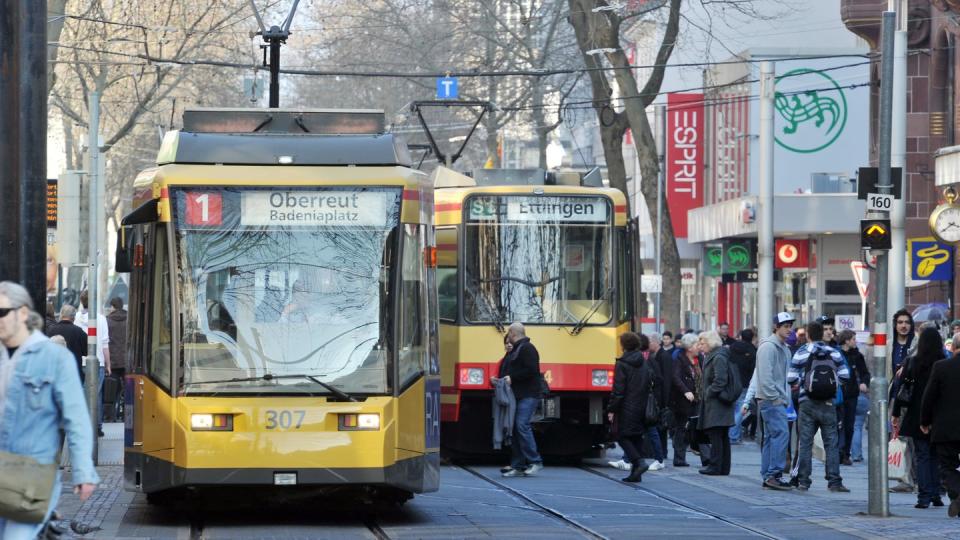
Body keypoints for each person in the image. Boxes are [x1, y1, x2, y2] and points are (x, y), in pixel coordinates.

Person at [0, 281, 99, 538]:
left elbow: (76, 418)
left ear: (22, 313)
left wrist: (83, 471)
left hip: (31, 477)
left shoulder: (55, 358)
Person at [788, 321, 850, 492]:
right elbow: (845, 375)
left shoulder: (801, 352)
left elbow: (791, 378)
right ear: (822, 334)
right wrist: (832, 385)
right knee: (831, 442)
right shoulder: (833, 352)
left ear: (808, 334)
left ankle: (803, 481)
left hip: (806, 402)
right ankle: (834, 481)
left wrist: (805, 383)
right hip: (828, 403)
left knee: (805, 442)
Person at [893, 327, 945, 509]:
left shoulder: (912, 363)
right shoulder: (943, 362)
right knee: (935, 455)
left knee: (921, 455)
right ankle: (936, 493)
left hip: (916, 413)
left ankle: (924, 496)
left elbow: (903, 390)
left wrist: (896, 413)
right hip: (937, 415)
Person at [607, 332, 658, 482]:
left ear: (623, 345)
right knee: (636, 437)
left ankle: (639, 462)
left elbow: (618, 390)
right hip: (642, 405)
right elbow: (651, 381)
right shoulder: (643, 362)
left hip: (627, 406)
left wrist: (611, 408)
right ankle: (636, 474)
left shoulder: (622, 363)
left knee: (622, 436)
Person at [919, 332, 960, 519]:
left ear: (952, 347)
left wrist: (924, 421)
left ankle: (957, 494)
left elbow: (929, 397)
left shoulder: (941, 367)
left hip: (946, 427)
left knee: (947, 466)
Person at [755, 312, 795, 490]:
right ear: (776, 327)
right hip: (771, 400)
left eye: (790, 326)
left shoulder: (784, 348)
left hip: (776, 399)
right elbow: (765, 377)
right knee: (781, 435)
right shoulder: (768, 347)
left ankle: (768, 474)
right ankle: (773, 474)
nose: (789, 329)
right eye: (785, 326)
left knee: (772, 437)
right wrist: (776, 397)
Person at [498, 323, 544, 477]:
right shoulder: (519, 348)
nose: (507, 336)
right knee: (516, 428)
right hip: (520, 394)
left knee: (521, 425)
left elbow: (532, 370)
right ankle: (517, 465)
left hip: (528, 394)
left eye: (509, 333)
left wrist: (512, 377)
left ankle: (535, 461)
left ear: (513, 333)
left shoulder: (527, 348)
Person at [697, 330, 736, 476]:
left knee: (716, 434)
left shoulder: (718, 356)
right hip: (718, 402)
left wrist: (708, 393)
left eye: (702, 343)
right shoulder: (716, 355)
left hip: (718, 403)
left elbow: (720, 380)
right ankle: (723, 467)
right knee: (721, 435)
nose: (700, 346)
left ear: (710, 343)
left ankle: (715, 466)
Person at [75, 290, 110, 438]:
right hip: (98, 362)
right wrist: (108, 364)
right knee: (96, 395)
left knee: (84, 395)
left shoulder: (76, 318)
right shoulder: (101, 319)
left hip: (81, 362)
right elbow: (104, 344)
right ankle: (96, 426)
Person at [837, 330, 870, 466]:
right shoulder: (837, 354)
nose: (855, 341)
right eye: (853, 339)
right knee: (838, 424)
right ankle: (837, 451)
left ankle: (845, 453)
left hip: (852, 394)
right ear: (846, 340)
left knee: (850, 425)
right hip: (839, 394)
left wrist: (864, 382)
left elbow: (865, 373)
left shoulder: (858, 356)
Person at [669, 333, 700, 467]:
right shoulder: (679, 360)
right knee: (681, 428)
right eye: (696, 344)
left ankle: (705, 456)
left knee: (694, 428)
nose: (699, 347)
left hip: (697, 399)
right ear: (690, 347)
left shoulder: (700, 359)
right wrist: (686, 391)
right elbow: (675, 377)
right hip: (682, 401)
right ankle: (679, 458)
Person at [728, 328, 757, 445]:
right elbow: (754, 369)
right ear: (752, 338)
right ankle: (733, 435)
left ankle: (735, 434)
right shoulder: (753, 351)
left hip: (732, 382)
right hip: (745, 383)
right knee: (741, 409)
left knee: (735, 408)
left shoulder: (732, 348)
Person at [45, 304, 88, 383]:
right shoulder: (78, 331)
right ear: (73, 317)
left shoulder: (51, 330)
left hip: (56, 375)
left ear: (61, 315)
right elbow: (87, 351)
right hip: (75, 375)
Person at [647, 333, 672, 468]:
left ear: (656, 342)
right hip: (658, 396)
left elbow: (667, 380)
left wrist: (665, 401)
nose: (648, 344)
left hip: (662, 397)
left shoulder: (664, 356)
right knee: (659, 426)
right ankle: (661, 452)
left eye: (649, 342)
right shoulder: (655, 355)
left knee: (661, 426)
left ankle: (663, 452)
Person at [106, 297, 127, 380]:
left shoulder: (107, 320)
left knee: (113, 388)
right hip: (126, 361)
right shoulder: (130, 319)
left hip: (112, 361)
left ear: (112, 307)